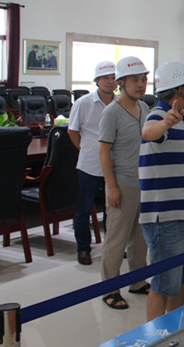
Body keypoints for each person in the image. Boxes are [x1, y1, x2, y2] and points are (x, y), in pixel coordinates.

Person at [139, 61, 184, 322]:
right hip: (166, 217)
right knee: (163, 285)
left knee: (181, 280)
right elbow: (148, 132)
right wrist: (165, 123)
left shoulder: (182, 119)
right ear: (180, 90)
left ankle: (175, 330)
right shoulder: (160, 115)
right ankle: (154, 337)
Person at [98, 56, 151, 310]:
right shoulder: (111, 112)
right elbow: (103, 152)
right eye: (135, 80)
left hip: (144, 182)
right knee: (116, 240)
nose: (141, 85)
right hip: (123, 183)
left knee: (140, 238)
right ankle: (110, 289)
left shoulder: (145, 108)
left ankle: (137, 281)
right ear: (121, 83)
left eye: (143, 79)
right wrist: (111, 186)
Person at [68, 61, 117, 265]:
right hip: (89, 164)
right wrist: (85, 148)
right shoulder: (84, 103)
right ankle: (83, 249)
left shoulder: (120, 102)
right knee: (84, 209)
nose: (110, 81)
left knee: (112, 209)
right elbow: (72, 131)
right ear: (97, 80)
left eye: (113, 78)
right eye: (105, 78)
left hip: (114, 164)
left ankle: (112, 247)